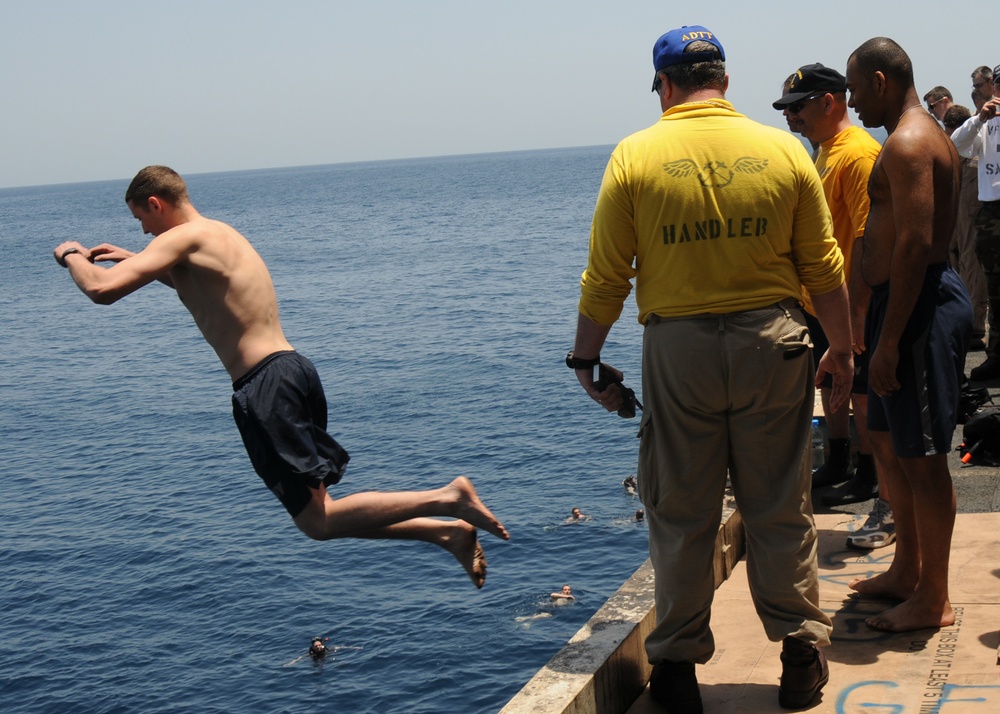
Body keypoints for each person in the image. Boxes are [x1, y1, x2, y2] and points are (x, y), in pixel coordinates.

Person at [570, 25, 852, 712]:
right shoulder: (784, 150)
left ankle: (676, 670)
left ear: (665, 87)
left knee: (681, 510)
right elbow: (822, 265)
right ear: (723, 81)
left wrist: (586, 359)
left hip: (680, 351)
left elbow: (607, 277)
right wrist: (843, 350)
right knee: (780, 503)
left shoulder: (635, 156)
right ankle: (800, 659)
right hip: (775, 342)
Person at [53, 166, 509, 589]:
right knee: (319, 519)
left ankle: (450, 499)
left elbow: (101, 289)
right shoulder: (220, 235)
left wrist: (73, 254)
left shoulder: (183, 237)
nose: (145, 232)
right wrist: (135, 258)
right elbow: (202, 291)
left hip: (265, 385)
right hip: (291, 370)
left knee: (319, 522)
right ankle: (444, 535)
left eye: (141, 220)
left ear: (156, 203)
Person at [844, 38, 973, 632]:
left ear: (880, 79)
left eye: (854, 88)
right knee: (891, 444)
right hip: (895, 307)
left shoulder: (911, 141)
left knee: (923, 459)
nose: (851, 101)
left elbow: (917, 243)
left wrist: (891, 339)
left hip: (917, 308)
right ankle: (907, 570)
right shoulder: (910, 137)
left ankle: (934, 598)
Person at [773, 64, 882, 508]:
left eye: (797, 107)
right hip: (822, 303)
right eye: (786, 109)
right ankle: (840, 461)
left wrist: (855, 311)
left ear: (828, 102)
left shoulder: (856, 154)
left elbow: (868, 237)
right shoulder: (824, 151)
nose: (789, 117)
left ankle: (870, 472)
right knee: (832, 382)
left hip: (850, 303)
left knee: (860, 390)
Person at [953, 69, 1000, 381]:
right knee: (995, 290)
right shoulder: (987, 121)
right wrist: (979, 118)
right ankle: (997, 357)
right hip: (992, 212)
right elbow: (958, 144)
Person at [942, 104, 989, 353]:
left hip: (972, 220)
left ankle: (977, 326)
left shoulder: (974, 157)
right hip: (957, 223)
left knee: (972, 267)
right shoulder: (956, 154)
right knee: (959, 265)